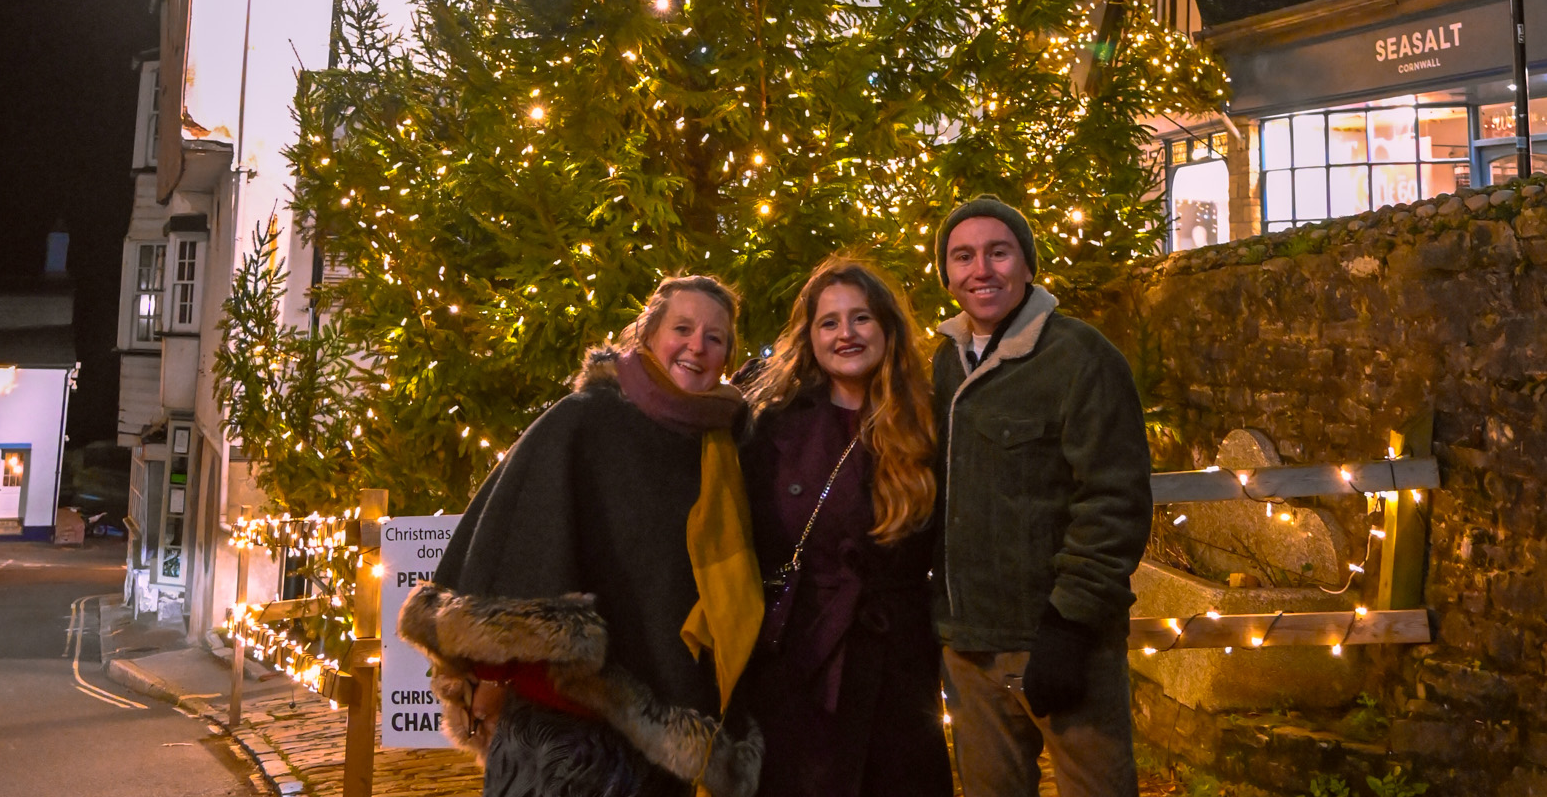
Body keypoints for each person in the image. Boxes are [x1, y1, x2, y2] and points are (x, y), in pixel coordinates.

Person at [399, 274, 765, 797]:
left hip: (668, 740)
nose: (697, 346)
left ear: (728, 355)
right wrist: (494, 671)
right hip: (563, 734)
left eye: (715, 337)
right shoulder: (584, 420)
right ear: (648, 335)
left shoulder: (728, 447)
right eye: (682, 328)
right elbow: (515, 544)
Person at [932, 196, 1152, 797]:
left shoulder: (1079, 358)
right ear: (947, 274)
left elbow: (1114, 501)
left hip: (1061, 643)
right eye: (963, 256)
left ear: (1027, 264)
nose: (981, 270)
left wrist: (1069, 624)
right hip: (971, 652)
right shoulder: (943, 364)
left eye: (998, 253)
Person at [740, 258, 954, 797]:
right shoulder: (774, 425)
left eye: (860, 318)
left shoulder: (930, 420)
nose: (846, 334)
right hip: (801, 659)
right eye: (829, 323)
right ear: (810, 337)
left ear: (887, 327)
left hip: (898, 664)